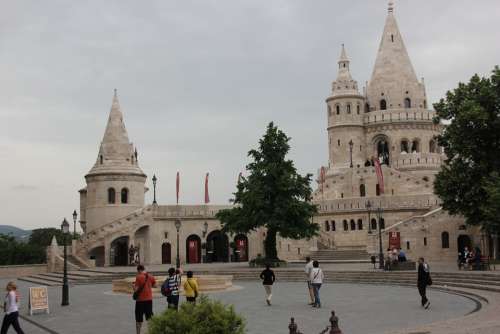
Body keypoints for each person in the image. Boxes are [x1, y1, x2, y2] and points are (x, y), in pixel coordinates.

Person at [133, 265, 156, 334]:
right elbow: (155, 285)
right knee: (149, 318)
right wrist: (148, 285)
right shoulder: (151, 276)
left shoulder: (139, 277)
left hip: (140, 301)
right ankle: (151, 331)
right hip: (149, 300)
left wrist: (133, 286)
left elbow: (136, 290)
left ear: (139, 270)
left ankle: (138, 333)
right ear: (144, 269)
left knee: (139, 319)